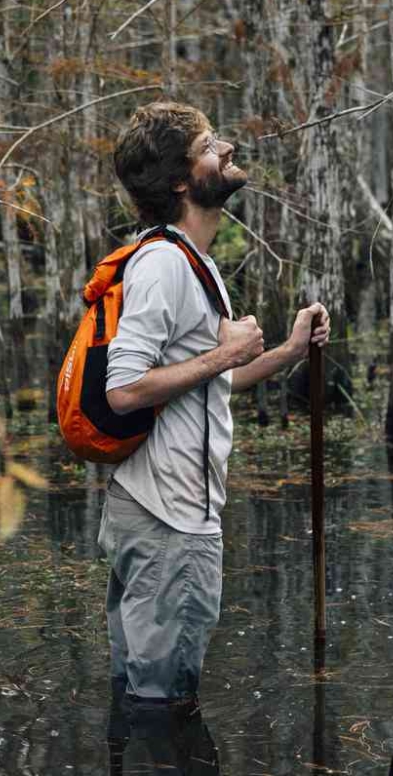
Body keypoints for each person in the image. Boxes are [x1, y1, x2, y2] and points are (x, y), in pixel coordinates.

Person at [102, 101, 330, 708]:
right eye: (209, 146)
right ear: (181, 179)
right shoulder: (162, 265)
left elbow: (205, 385)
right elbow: (122, 390)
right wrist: (222, 356)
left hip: (159, 513)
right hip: (168, 522)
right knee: (162, 704)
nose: (226, 150)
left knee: (145, 698)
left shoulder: (191, 262)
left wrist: (288, 349)